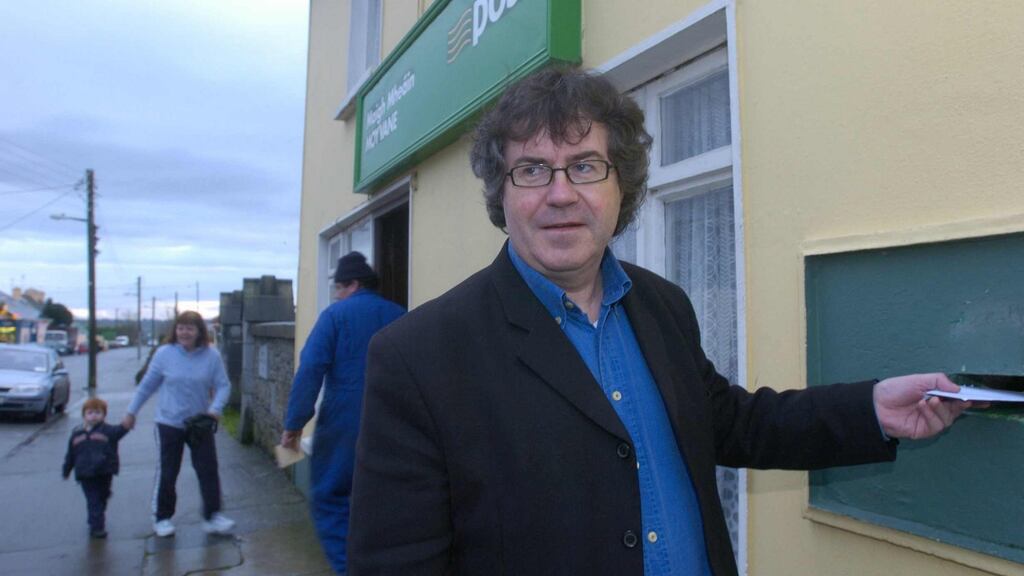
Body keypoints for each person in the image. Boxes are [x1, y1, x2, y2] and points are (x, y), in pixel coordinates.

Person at [346, 66, 973, 576]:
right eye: (532, 169)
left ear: (623, 187)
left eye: (586, 165)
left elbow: (733, 422)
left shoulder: (662, 305)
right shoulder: (417, 357)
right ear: (501, 194)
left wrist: (871, 410)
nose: (560, 192)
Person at [281, 251, 405, 575]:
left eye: (338, 287)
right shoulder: (400, 314)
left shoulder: (335, 316)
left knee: (331, 497)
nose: (336, 294)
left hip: (344, 421)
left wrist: (294, 425)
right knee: (383, 499)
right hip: (394, 421)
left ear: (352, 284)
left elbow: (310, 370)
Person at [122, 310, 234, 538]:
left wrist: (215, 409)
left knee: (208, 470)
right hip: (169, 422)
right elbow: (146, 386)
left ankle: (212, 516)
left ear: (199, 331)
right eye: (181, 327)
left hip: (199, 423)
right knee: (168, 471)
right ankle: (162, 518)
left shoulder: (211, 356)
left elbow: (223, 385)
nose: (184, 332)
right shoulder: (164, 354)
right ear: (175, 330)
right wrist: (131, 412)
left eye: (190, 328)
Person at [62, 397, 130, 539]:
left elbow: (120, 431)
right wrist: (67, 469)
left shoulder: (108, 431)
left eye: (98, 412)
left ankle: (96, 514)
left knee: (102, 497)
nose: (94, 415)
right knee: (93, 499)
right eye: (90, 412)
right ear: (84, 415)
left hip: (104, 471)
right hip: (85, 473)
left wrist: (127, 424)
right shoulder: (77, 434)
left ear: (104, 415)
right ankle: (97, 527)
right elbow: (71, 454)